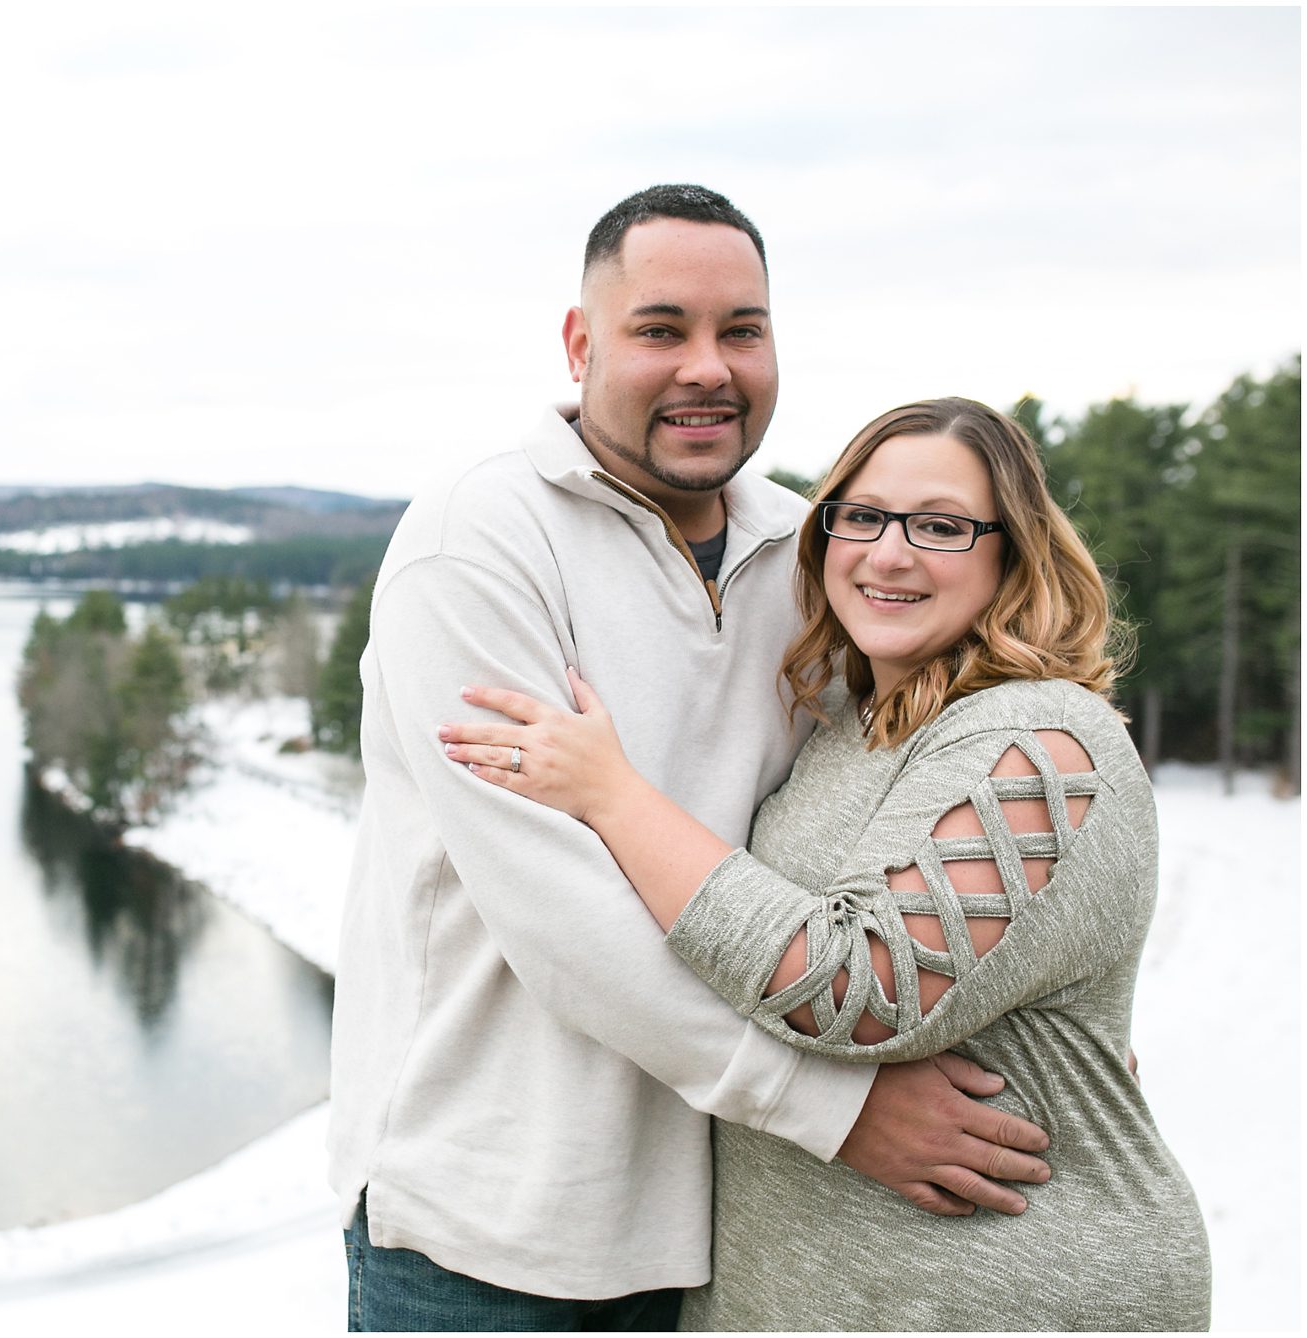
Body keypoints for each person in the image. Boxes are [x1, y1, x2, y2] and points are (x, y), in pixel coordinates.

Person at [329, 184, 1053, 1332]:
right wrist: (837, 1110)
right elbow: (560, 920)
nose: (706, 367)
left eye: (741, 330)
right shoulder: (476, 544)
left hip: (716, 1221)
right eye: (659, 329)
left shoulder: (805, 548)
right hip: (486, 1229)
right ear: (580, 344)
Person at [441, 397, 1211, 1330]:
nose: (890, 554)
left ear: (1015, 552)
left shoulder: (1042, 738)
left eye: (941, 526)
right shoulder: (853, 723)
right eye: (863, 515)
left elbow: (860, 984)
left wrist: (613, 795)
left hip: (1001, 1294)